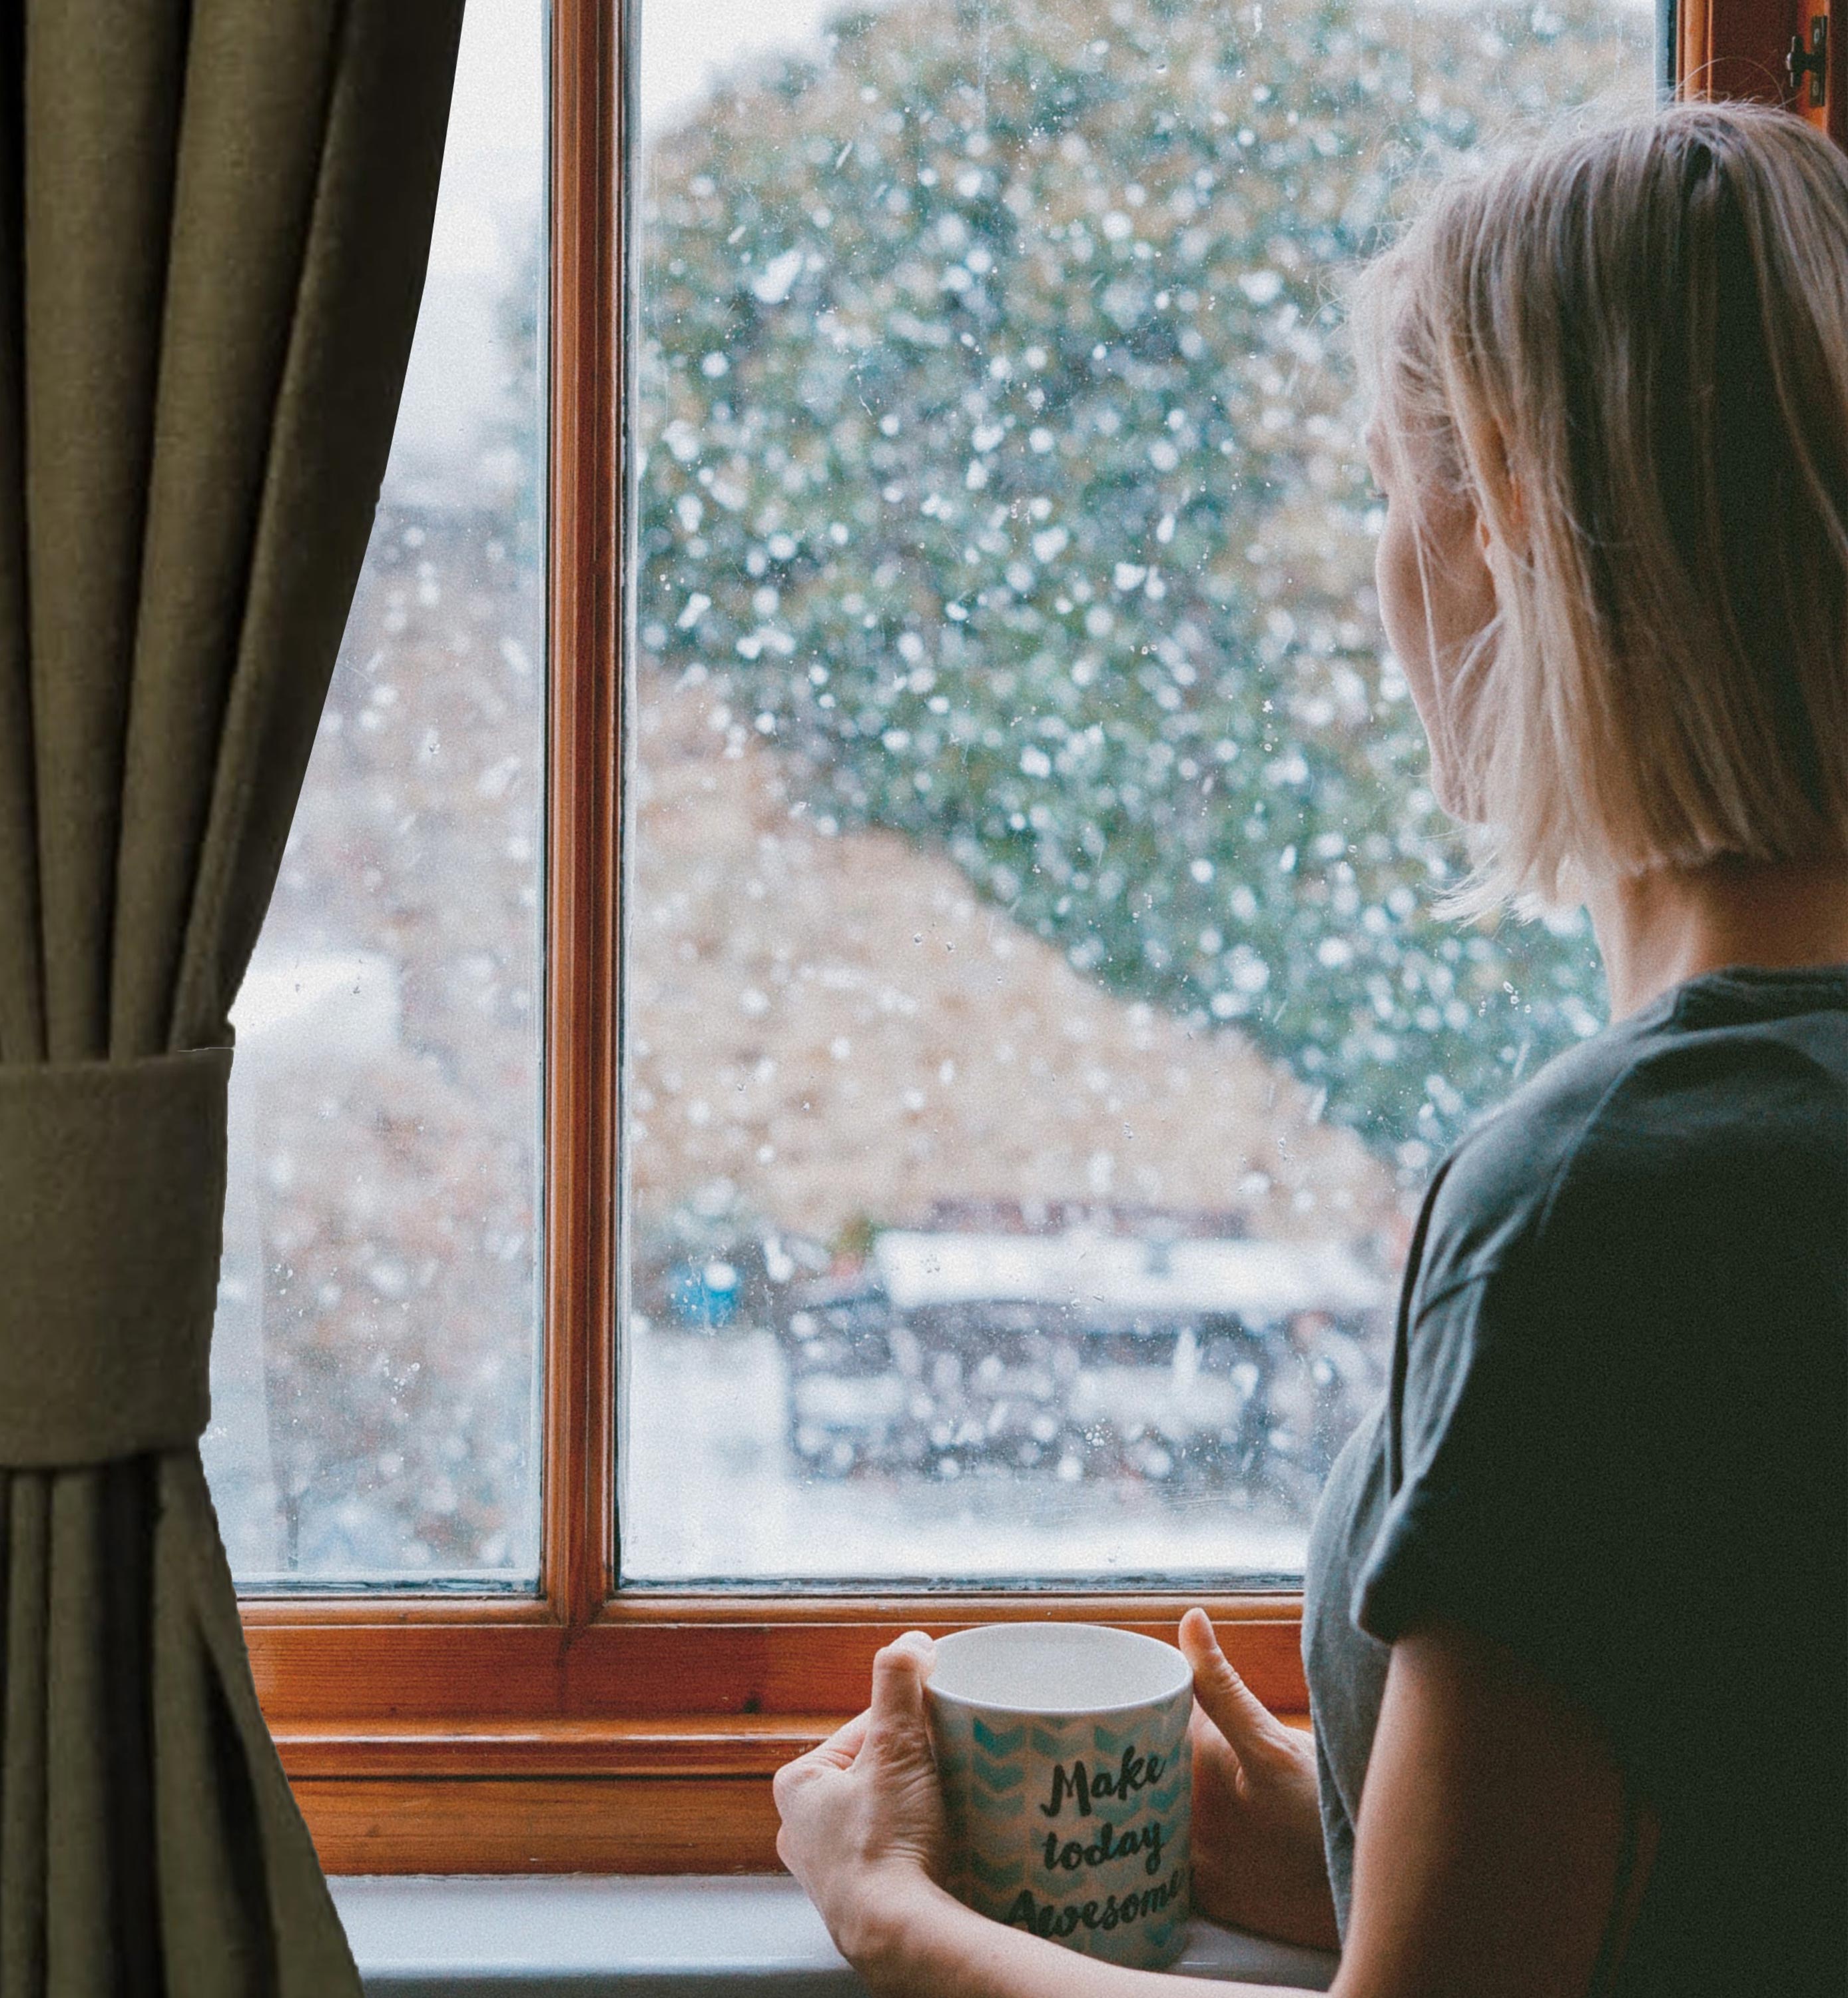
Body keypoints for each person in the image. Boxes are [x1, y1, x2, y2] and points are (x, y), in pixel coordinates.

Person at [772, 99, 1848, 1998]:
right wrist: (1361, 1834)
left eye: (1386, 486)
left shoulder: (1611, 1202)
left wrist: (894, 1916)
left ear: (1510, 520)